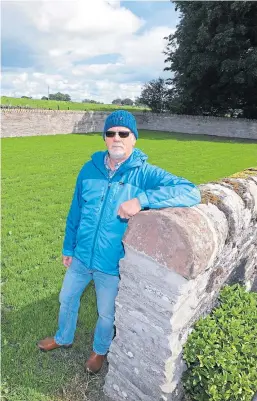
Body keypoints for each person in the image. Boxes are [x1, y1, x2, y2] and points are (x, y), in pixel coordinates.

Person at [38, 110, 201, 373]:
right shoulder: (89, 169)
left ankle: (99, 351)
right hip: (80, 256)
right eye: (110, 133)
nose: (116, 138)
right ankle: (63, 338)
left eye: (123, 133)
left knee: (106, 314)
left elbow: (190, 191)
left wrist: (141, 201)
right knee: (67, 298)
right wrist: (69, 248)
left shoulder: (144, 173)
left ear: (134, 139)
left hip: (111, 263)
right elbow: (75, 211)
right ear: (104, 138)